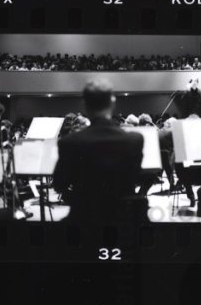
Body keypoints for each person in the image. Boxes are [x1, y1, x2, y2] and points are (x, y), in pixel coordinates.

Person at [52, 83, 149, 228]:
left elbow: (59, 184)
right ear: (112, 103)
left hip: (84, 219)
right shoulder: (135, 140)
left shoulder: (69, 142)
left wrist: (80, 201)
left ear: (85, 105)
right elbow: (136, 178)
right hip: (124, 220)